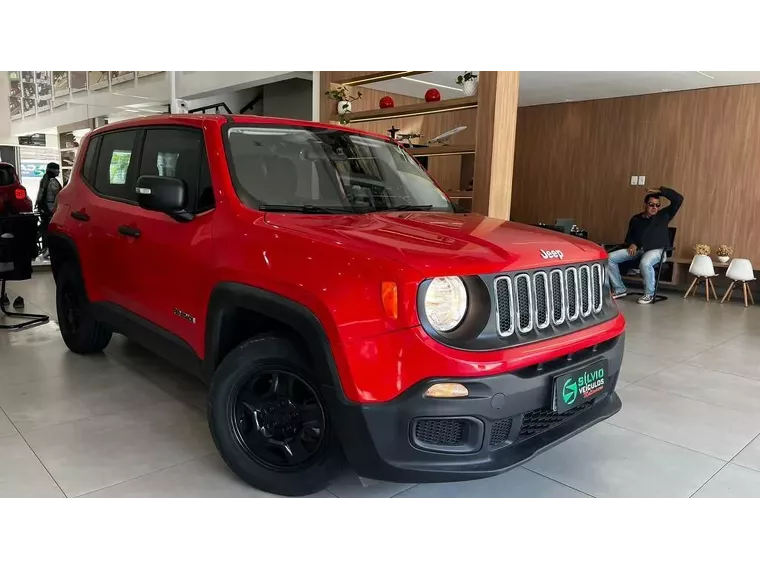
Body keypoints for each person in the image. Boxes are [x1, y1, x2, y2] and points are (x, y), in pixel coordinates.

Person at [607, 186, 684, 305]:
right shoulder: (636, 219)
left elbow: (678, 199)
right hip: (638, 249)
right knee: (609, 258)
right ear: (645, 204)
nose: (654, 208)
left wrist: (661, 191)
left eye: (657, 205)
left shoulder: (664, 215)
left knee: (645, 262)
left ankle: (649, 294)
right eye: (651, 204)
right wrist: (632, 243)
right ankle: (619, 289)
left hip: (657, 250)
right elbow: (630, 236)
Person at [35, 162, 62, 259]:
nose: (58, 171)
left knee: (45, 229)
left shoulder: (44, 180)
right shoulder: (53, 182)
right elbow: (59, 196)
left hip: (44, 209)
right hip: (52, 209)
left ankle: (45, 248)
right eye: (57, 169)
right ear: (54, 170)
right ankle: (49, 249)